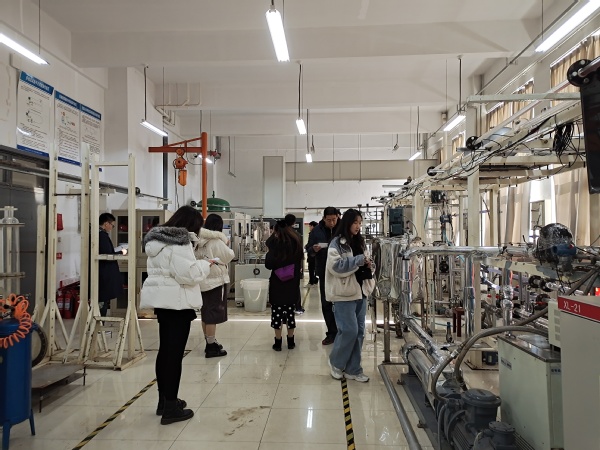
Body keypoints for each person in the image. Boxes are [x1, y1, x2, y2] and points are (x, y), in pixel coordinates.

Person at [140, 205, 213, 425]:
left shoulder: (157, 242)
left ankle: (164, 401)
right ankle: (171, 407)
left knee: (165, 352)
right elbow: (188, 275)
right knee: (174, 356)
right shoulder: (179, 243)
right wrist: (205, 265)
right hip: (178, 304)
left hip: (164, 303)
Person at [325, 208, 372, 382]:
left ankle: (354, 369)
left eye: (360, 223)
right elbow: (335, 266)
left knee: (359, 332)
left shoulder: (360, 242)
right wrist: (358, 261)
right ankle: (336, 363)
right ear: (347, 223)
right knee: (349, 331)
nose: (358, 226)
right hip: (344, 294)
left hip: (361, 291)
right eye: (355, 223)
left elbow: (366, 260)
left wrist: (369, 264)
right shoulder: (337, 243)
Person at [195, 213, 235, 358]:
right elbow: (229, 255)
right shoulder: (216, 241)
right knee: (212, 314)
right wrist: (226, 245)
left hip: (201, 281)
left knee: (205, 313)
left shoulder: (197, 240)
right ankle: (211, 347)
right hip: (215, 281)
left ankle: (210, 340)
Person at [265, 219, 304, 351]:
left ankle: (278, 342)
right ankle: (291, 341)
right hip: (292, 283)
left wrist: (272, 238)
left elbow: (268, 264)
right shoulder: (296, 244)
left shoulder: (275, 245)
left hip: (277, 283)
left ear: (276, 231)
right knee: (290, 313)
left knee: (277, 313)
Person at [305, 207, 339, 345]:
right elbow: (308, 248)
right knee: (326, 303)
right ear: (324, 218)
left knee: (341, 302)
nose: (332, 223)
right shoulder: (316, 231)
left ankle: (342, 332)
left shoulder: (342, 229)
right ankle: (331, 333)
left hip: (342, 272)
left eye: (334, 219)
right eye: (329, 220)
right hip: (324, 271)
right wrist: (313, 249)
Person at [98, 213, 126, 317]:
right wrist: (121, 252)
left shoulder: (100, 234)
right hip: (104, 273)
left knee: (103, 300)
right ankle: (100, 323)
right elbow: (107, 255)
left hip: (102, 272)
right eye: (112, 225)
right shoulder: (102, 236)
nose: (112, 227)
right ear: (106, 223)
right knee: (102, 301)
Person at [284, 213, 305, 315]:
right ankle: (297, 307)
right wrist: (300, 265)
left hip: (283, 265)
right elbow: (300, 252)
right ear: (294, 223)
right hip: (295, 264)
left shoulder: (281, 234)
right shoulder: (297, 235)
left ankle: (285, 307)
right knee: (295, 286)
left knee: (284, 286)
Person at [306, 221, 319, 286]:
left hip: (312, 253)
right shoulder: (319, 233)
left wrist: (307, 247)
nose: (309, 228)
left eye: (310, 226)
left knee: (311, 268)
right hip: (317, 254)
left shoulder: (312, 233)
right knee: (316, 268)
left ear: (312, 226)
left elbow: (310, 244)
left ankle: (311, 281)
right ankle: (315, 280)